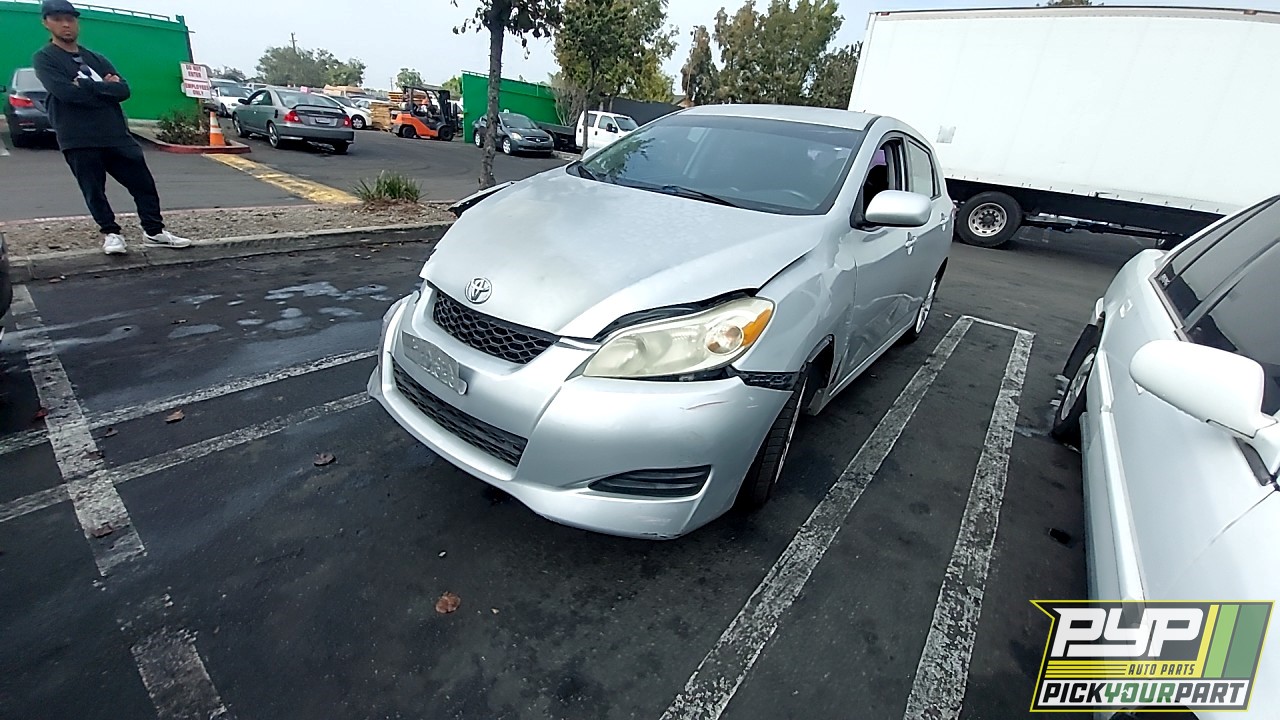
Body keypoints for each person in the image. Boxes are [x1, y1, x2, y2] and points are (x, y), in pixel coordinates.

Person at [32, 0, 191, 256]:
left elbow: (123, 90)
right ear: (46, 23)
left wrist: (86, 86)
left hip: (115, 134)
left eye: (70, 19)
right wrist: (105, 88)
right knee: (94, 190)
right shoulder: (45, 58)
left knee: (143, 185)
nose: (66, 25)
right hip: (78, 138)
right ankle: (111, 233)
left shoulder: (96, 58)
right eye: (58, 19)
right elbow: (66, 94)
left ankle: (154, 231)